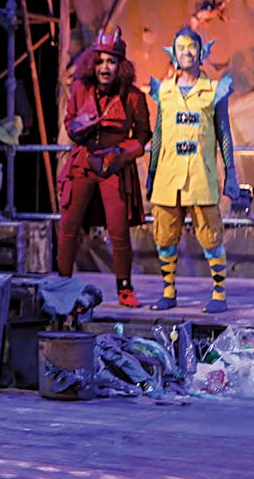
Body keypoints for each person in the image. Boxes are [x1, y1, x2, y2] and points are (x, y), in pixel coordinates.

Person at [56, 25, 151, 308]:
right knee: (68, 227)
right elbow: (69, 122)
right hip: (83, 163)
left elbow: (143, 136)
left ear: (121, 65)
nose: (105, 67)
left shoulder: (133, 97)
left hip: (113, 167)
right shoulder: (80, 89)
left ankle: (125, 288)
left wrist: (120, 154)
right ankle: (63, 283)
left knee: (119, 229)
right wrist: (79, 126)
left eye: (111, 61)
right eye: (100, 61)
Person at [146, 26, 238, 313]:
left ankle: (219, 294)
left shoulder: (214, 91)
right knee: (164, 234)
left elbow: (224, 133)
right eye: (181, 47)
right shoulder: (165, 90)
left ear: (202, 52)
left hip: (201, 175)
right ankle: (168, 291)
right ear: (173, 53)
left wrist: (231, 173)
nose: (187, 52)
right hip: (168, 175)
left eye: (192, 47)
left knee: (211, 235)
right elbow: (158, 133)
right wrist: (151, 172)